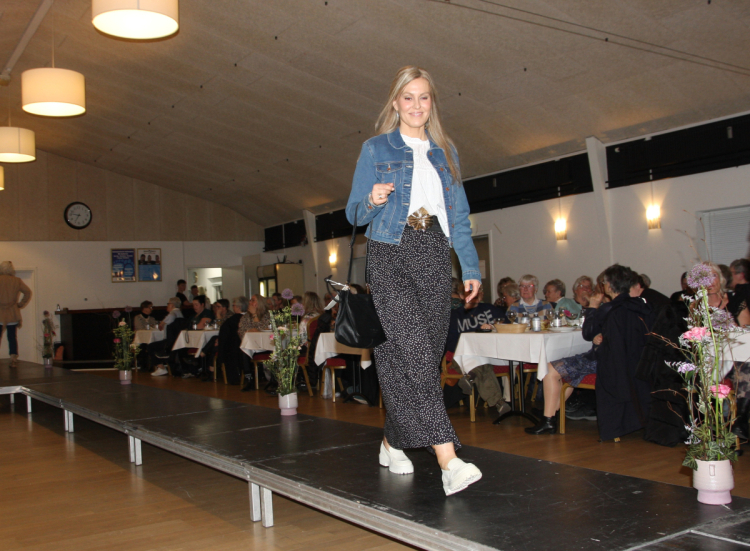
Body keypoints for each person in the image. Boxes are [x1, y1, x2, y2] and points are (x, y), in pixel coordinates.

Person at [345, 65, 482, 495]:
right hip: (390, 251)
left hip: (434, 253)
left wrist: (471, 268)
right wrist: (371, 200)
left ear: (431, 103)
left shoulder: (446, 152)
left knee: (415, 356)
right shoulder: (375, 148)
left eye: (424, 97)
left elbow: (460, 218)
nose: (416, 105)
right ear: (395, 103)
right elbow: (353, 213)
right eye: (408, 97)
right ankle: (448, 459)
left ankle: (392, 441)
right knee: (417, 355)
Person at [592, 264, 655, 441]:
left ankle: (613, 429)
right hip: (642, 365)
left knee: (605, 370)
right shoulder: (641, 305)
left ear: (610, 286)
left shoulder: (611, 310)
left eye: (605, 282)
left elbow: (606, 344)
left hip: (618, 367)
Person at [445, 286, 511, 417]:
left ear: (481, 294)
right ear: (462, 296)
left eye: (478, 292)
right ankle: (498, 401)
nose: (475, 295)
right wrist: (474, 338)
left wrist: (493, 328)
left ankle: (470, 376)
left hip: (491, 353)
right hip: (462, 356)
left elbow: (507, 327)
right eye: (470, 292)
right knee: (479, 361)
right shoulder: (454, 316)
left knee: (481, 360)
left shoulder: (491, 310)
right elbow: (450, 344)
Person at [0, 261, 32, 367]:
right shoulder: (16, 281)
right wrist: (20, 304)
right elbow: (27, 292)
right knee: (12, 337)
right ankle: (13, 358)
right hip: (12, 312)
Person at [149, 297, 183, 377]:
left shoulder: (173, 313)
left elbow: (163, 323)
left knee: (150, 346)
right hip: (177, 341)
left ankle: (161, 367)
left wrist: (162, 323)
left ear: (172, 305)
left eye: (168, 304)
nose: (167, 306)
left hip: (170, 342)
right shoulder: (180, 313)